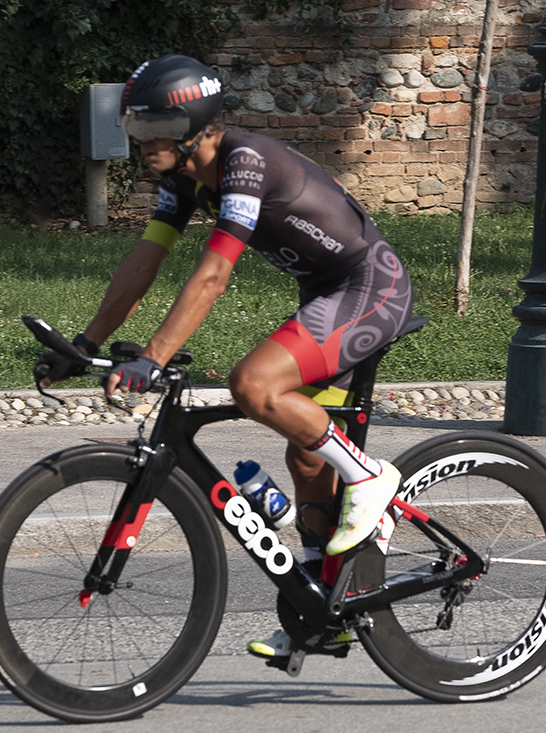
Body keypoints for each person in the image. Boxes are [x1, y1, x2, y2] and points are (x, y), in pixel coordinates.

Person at [39, 54, 414, 662]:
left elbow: (214, 275)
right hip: (328, 294)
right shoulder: (184, 178)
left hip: (372, 290)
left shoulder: (244, 163)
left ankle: (371, 476)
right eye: (134, 128)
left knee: (255, 385)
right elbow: (144, 262)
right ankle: (324, 611)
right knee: (306, 457)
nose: (140, 143)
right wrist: (84, 346)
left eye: (150, 128)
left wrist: (155, 356)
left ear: (192, 126)